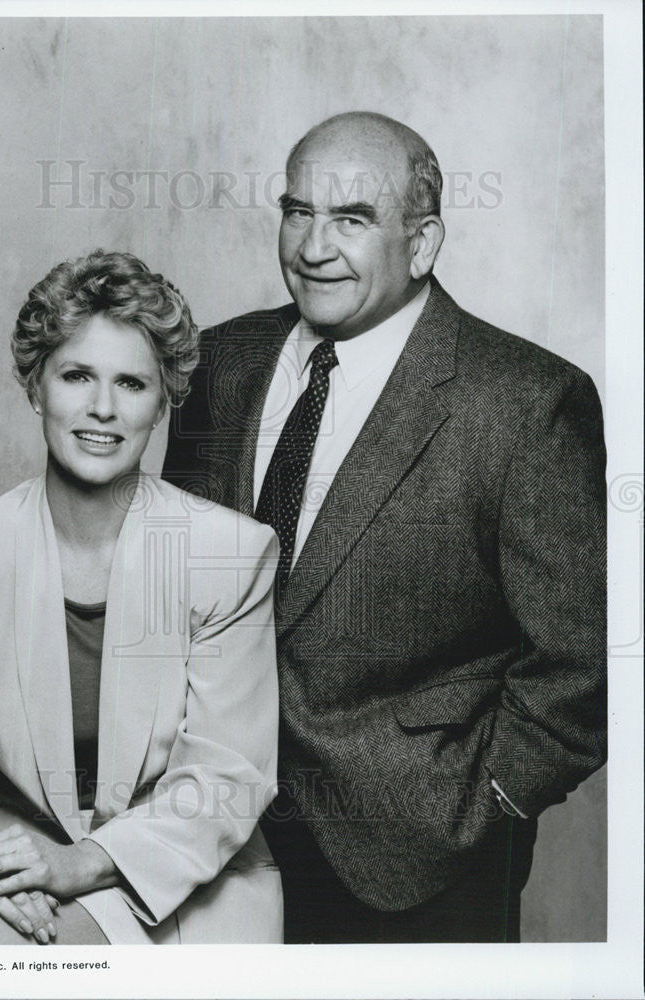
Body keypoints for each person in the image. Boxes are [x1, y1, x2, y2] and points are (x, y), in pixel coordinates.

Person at [163, 111, 607, 943]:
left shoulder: (523, 402)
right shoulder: (217, 364)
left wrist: (488, 803)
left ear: (423, 241)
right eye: (298, 211)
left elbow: (586, 660)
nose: (312, 247)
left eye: (352, 219)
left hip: (416, 861)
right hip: (211, 835)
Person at [0, 249, 282, 945]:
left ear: (163, 400)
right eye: (77, 375)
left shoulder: (228, 554)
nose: (102, 408)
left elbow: (225, 780)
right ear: (36, 385)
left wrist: (76, 865)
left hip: (185, 877)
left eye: (131, 384)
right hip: (19, 863)